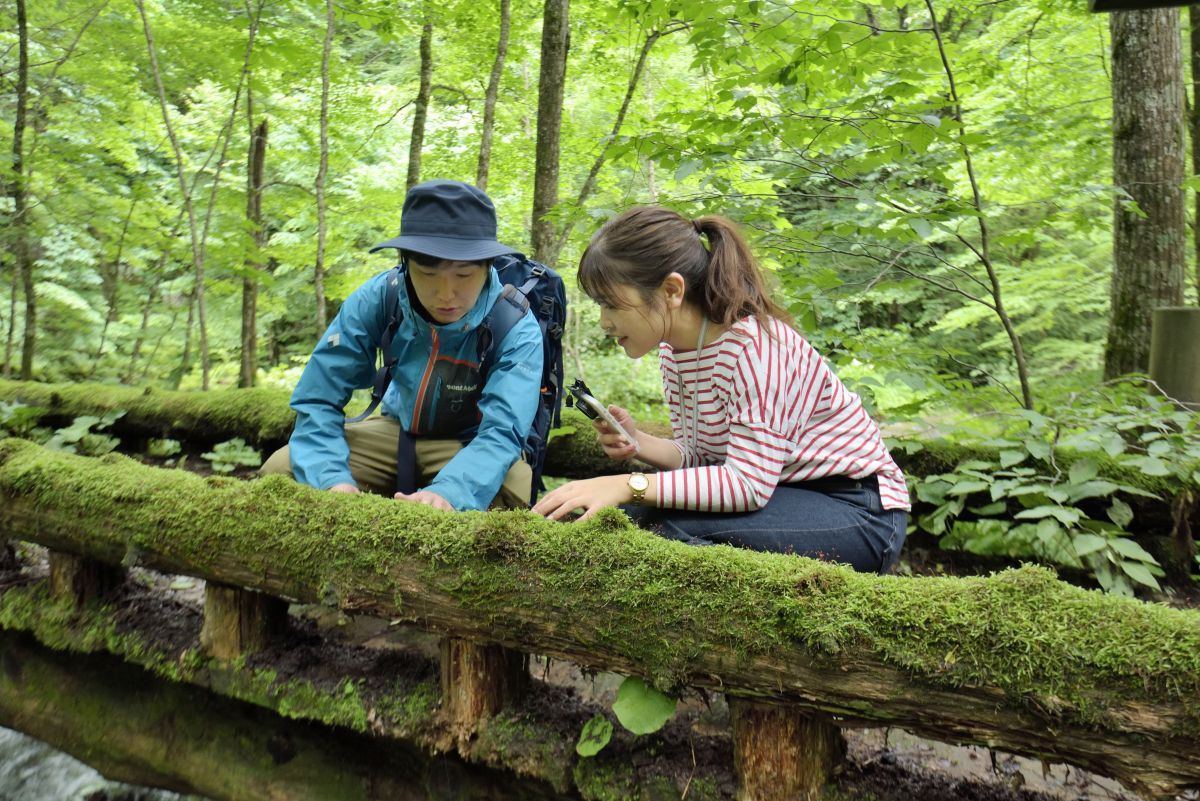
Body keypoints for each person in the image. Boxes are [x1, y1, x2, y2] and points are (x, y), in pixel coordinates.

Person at [533, 207, 909, 573]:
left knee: (659, 529)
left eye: (611, 304)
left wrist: (628, 484)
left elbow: (746, 484)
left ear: (671, 290)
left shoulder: (756, 348)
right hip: (781, 494)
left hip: (858, 509)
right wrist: (639, 442)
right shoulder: (676, 353)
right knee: (626, 519)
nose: (604, 322)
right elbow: (704, 460)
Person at [261, 179, 544, 511]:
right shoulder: (382, 297)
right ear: (405, 264)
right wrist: (331, 479)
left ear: (488, 267)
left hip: (469, 443)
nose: (446, 294)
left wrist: (451, 493)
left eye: (464, 276)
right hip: (394, 430)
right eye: (427, 273)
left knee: (513, 487)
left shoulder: (513, 324)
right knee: (283, 469)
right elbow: (318, 397)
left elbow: (501, 433)